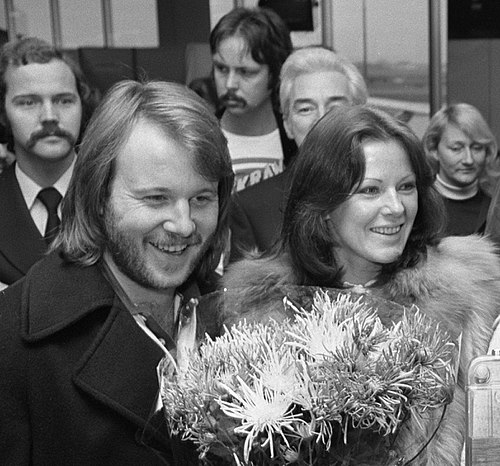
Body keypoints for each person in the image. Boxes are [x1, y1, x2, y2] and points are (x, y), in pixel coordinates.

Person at [222, 105, 500, 464]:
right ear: (322, 203)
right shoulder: (261, 312)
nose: (396, 207)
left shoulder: (473, 293)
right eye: (370, 190)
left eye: (406, 187)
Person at [0, 80, 234, 465]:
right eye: (156, 198)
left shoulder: (238, 320)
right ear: (98, 195)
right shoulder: (15, 342)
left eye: (201, 198)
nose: (184, 224)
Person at [229, 47, 368, 261]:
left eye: (335, 107)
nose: (322, 119)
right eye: (305, 109)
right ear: (287, 125)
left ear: (361, 117)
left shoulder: (392, 197)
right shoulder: (252, 208)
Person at [0, 37, 98, 289]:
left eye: (64, 100)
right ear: (3, 113)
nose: (50, 117)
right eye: (28, 102)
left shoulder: (114, 195)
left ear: (82, 105)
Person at [210, 7, 295, 192]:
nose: (230, 84)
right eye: (221, 69)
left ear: (276, 72)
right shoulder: (197, 138)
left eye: (246, 72)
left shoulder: (297, 139)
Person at [423, 103, 498, 236]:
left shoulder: (494, 207)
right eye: (456, 149)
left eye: (477, 148)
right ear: (434, 149)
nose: (468, 160)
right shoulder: (419, 205)